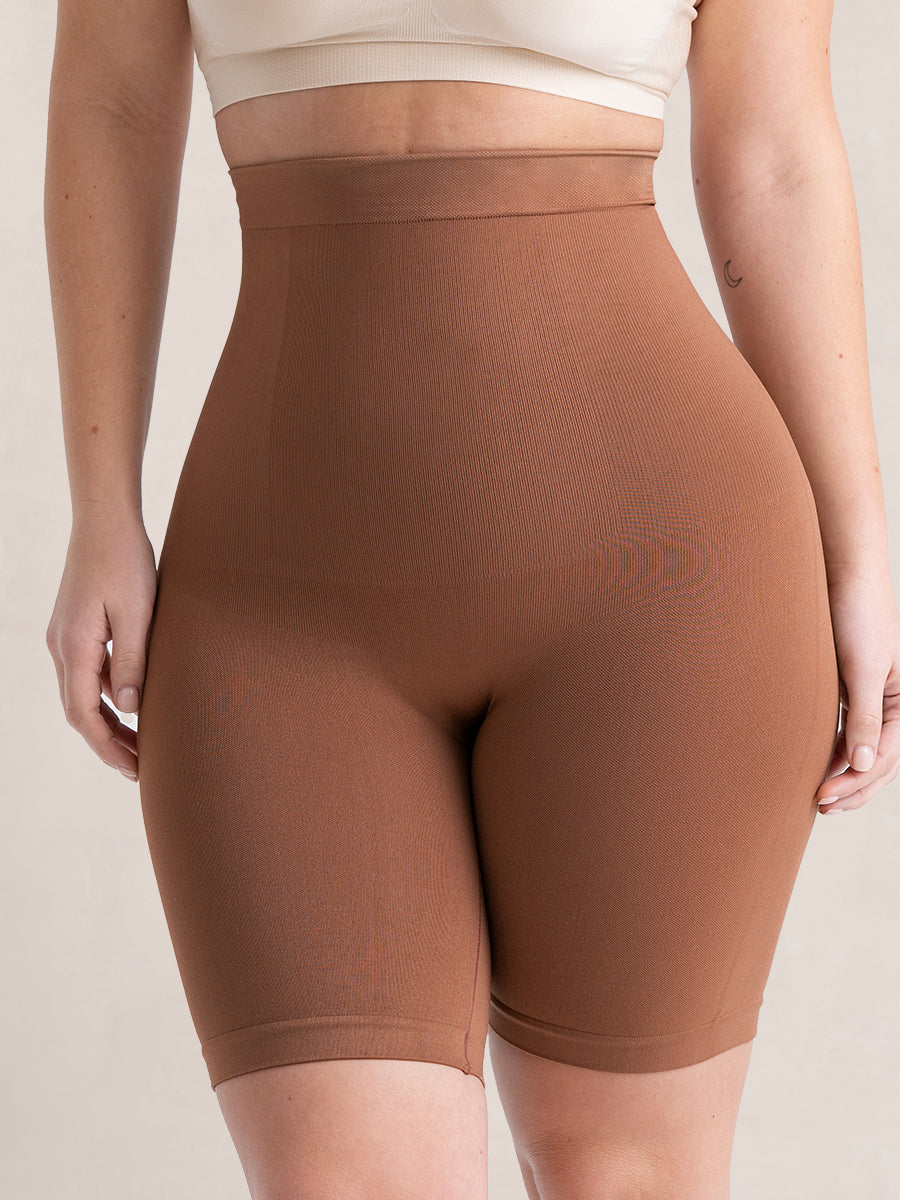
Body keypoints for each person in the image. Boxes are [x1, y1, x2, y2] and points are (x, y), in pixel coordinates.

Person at [44, 0, 899, 1196]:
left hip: (661, 574)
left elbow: (778, 156)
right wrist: (100, 512)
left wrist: (861, 556)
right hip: (283, 589)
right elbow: (112, 107)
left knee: (627, 1177)